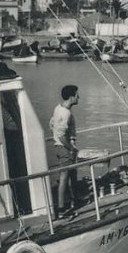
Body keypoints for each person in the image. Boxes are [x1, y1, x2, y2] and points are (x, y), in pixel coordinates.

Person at [50, 84, 80, 214]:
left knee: (72, 174)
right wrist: (71, 149)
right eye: (77, 95)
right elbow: (61, 135)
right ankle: (61, 207)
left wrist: (71, 141)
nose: (79, 97)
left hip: (60, 146)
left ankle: (74, 199)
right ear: (71, 97)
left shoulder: (58, 108)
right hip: (64, 148)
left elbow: (51, 123)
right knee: (64, 176)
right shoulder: (66, 113)